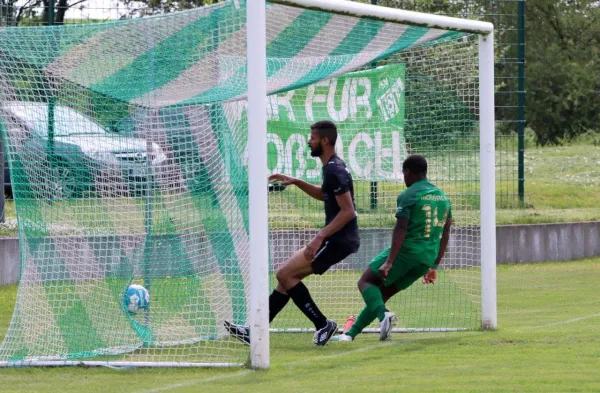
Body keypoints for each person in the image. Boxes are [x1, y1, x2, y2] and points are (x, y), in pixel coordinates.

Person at [225, 120, 360, 346]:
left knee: (285, 274)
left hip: (338, 240)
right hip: (337, 239)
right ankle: (255, 331)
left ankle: (322, 324)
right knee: (286, 279)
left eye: (313, 138)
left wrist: (319, 238)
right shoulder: (332, 167)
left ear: (324, 141)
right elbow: (325, 195)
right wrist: (297, 182)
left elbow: (348, 212)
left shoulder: (335, 170)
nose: (309, 141)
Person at [331, 154, 452, 342]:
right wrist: (434, 267)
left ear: (408, 172)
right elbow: (445, 234)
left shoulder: (409, 194)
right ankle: (350, 335)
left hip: (407, 252)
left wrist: (389, 262)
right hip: (427, 258)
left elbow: (401, 228)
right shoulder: (443, 197)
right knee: (381, 294)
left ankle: (384, 316)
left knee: (365, 282)